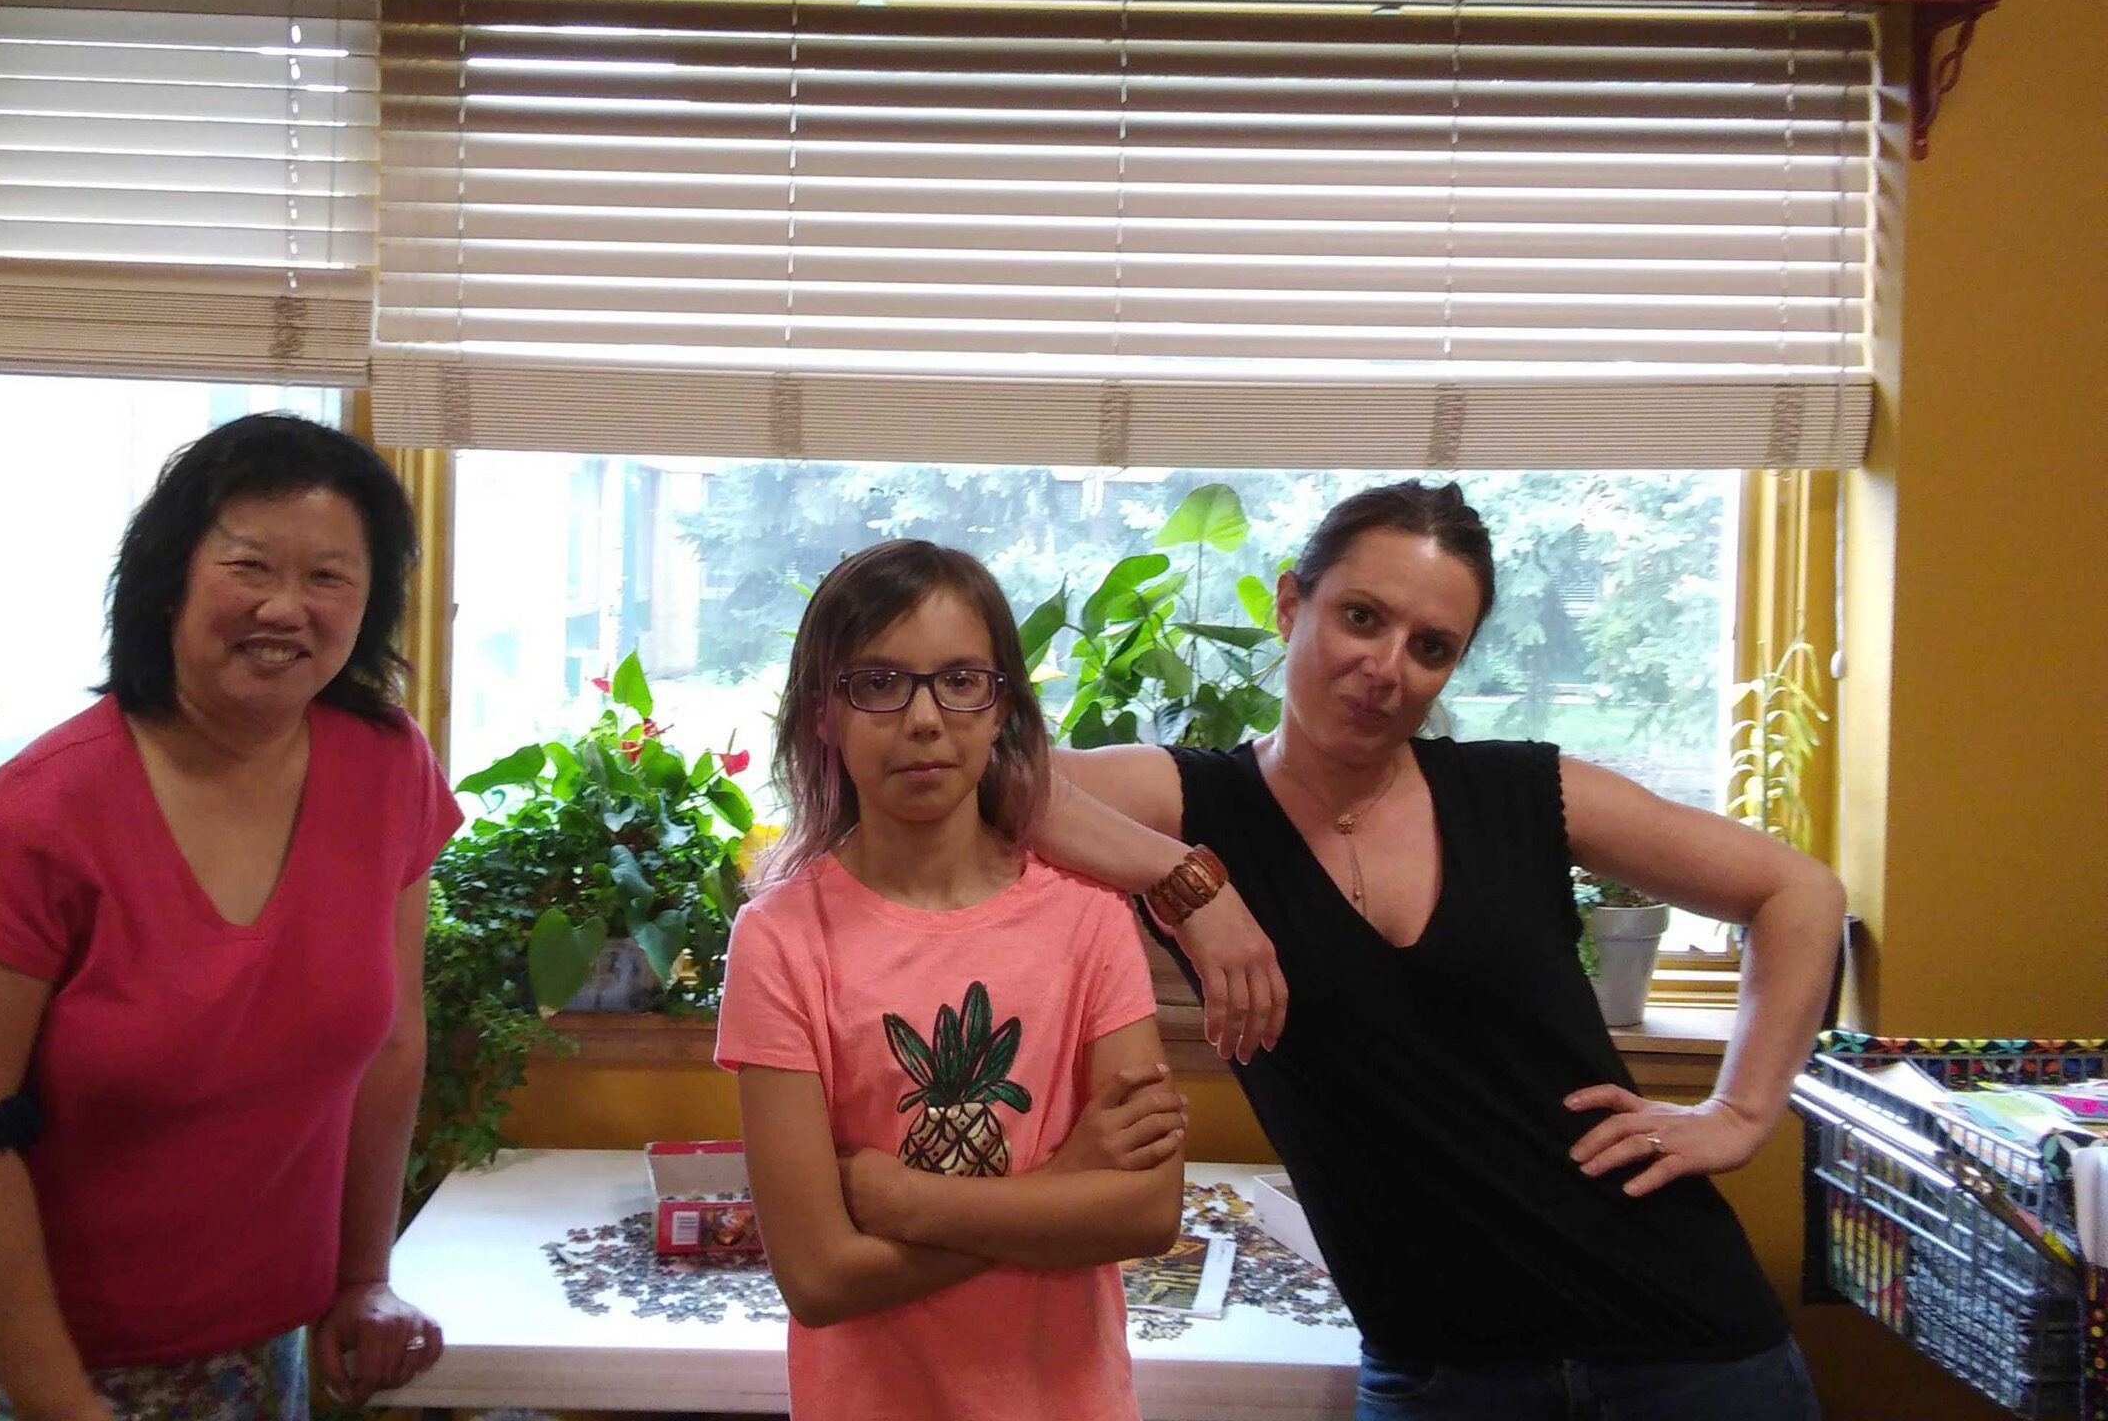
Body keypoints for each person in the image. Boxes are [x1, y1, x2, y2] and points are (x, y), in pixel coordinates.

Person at [1036, 481, 1844, 1421]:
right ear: (1293, 604)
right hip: (1441, 1379)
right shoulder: (1188, 800)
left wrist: (1740, 1112)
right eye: (1360, 617)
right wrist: (1191, 885)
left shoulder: (1526, 792)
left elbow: (1800, 891)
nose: (1386, 668)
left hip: (1686, 1353)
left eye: (1431, 648)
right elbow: (985, 773)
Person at [0, 414, 456, 1421]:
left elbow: (393, 1040)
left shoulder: (385, 763)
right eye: (249, 565)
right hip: (12, 1367)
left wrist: (363, 1274)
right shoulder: (33, 821)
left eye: (329, 577)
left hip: (254, 1350)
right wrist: (61, 1403)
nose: (284, 606)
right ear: (168, 580)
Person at [715, 539, 1189, 1421]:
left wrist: (907, 1201)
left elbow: (1145, 1210)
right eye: (879, 683)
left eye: (962, 679)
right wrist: (1058, 1191)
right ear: (824, 713)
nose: (927, 719)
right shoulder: (780, 941)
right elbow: (819, 1278)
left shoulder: (1087, 921)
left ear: (1002, 704)